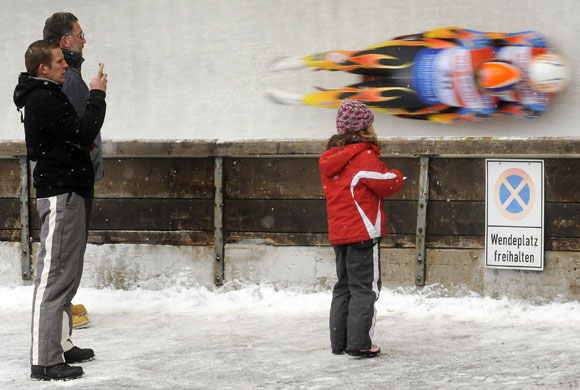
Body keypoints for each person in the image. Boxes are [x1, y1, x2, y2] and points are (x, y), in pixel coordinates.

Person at [13, 40, 107, 380]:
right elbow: (83, 130)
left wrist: (79, 140)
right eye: (58, 61)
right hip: (61, 194)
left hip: (70, 190)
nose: (65, 65)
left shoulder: (49, 95)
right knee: (52, 280)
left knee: (66, 276)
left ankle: (61, 344)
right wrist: (97, 94)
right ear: (43, 68)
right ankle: (44, 360)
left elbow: (72, 136)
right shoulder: (43, 97)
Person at [268, 27, 572, 123]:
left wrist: (433, 113)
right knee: (351, 59)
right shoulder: (529, 42)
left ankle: (301, 99)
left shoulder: (530, 103)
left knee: (354, 98)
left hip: (419, 95)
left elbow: (465, 115)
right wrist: (428, 37)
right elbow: (479, 35)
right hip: (418, 59)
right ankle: (301, 61)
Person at [319, 100, 403, 357]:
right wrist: (398, 174)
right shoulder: (363, 156)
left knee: (343, 286)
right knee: (364, 288)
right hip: (363, 233)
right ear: (365, 128)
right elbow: (387, 183)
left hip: (341, 233)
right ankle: (359, 343)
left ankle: (340, 342)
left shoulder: (329, 158)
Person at [43, 12, 101, 330]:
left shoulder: (58, 75)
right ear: (66, 41)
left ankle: (62, 311)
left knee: (66, 250)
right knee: (68, 251)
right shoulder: (70, 79)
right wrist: (98, 97)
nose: (84, 40)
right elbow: (80, 133)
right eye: (80, 34)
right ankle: (61, 315)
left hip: (66, 179)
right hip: (71, 182)